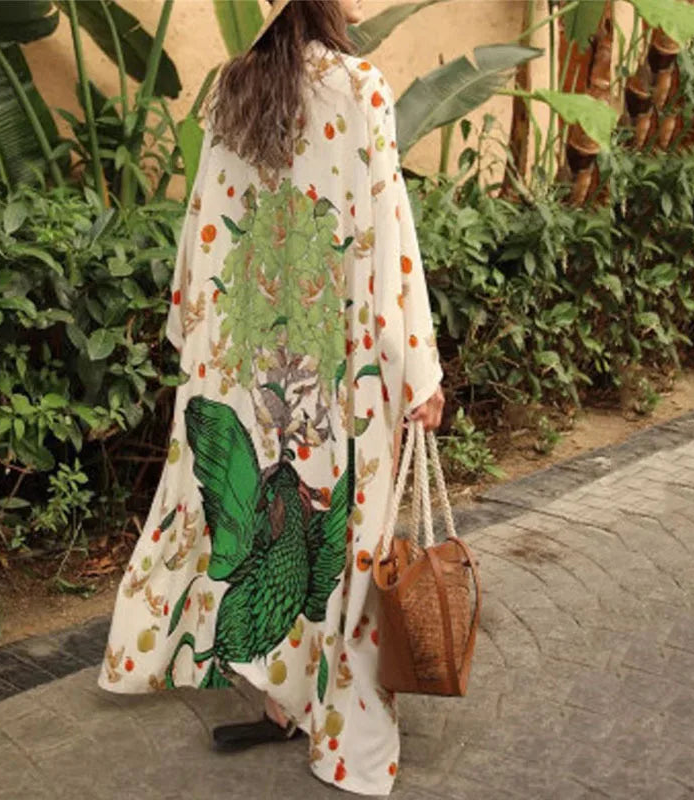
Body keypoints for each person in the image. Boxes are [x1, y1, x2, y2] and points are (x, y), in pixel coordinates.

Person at [97, 0, 445, 794]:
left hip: (252, 358)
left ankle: (280, 700)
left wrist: (193, 329)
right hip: (338, 367)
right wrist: (417, 370)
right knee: (340, 535)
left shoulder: (236, 85)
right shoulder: (361, 87)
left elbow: (203, 222)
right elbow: (389, 236)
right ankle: (340, 734)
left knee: (266, 519)